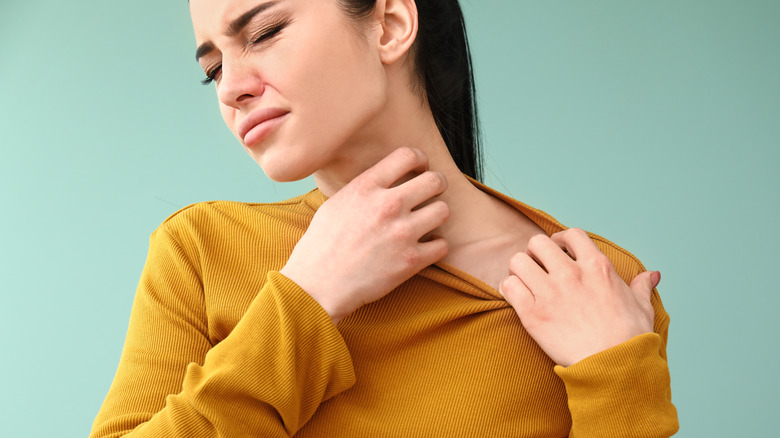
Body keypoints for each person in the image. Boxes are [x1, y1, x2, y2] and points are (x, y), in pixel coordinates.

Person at [90, 0, 679, 436]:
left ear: (391, 24)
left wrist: (619, 380)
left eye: (264, 33)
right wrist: (308, 298)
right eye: (214, 68)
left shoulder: (591, 281)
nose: (232, 90)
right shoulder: (200, 251)